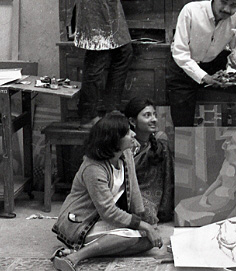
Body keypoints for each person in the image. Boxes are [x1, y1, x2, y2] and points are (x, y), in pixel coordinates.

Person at [51, 112, 163, 271]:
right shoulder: (93, 168)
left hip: (101, 219)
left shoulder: (125, 154)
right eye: (127, 133)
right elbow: (108, 212)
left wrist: (146, 221)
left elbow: (134, 189)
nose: (133, 134)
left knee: (150, 241)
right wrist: (143, 226)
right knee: (131, 237)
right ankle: (74, 258)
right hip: (81, 222)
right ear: (114, 140)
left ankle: (86, 250)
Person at [166, 0, 236, 128]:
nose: (227, 9)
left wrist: (228, 74)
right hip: (182, 71)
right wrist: (205, 78)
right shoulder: (191, 11)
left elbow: (234, 55)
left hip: (211, 66)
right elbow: (180, 53)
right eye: (224, 1)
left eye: (234, 5)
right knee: (184, 129)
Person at [175, 130, 236, 226]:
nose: (226, 145)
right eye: (227, 142)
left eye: (230, 143)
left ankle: (204, 218)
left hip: (226, 199)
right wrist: (205, 195)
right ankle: (183, 229)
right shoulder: (226, 162)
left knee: (195, 215)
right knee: (181, 206)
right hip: (214, 195)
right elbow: (218, 181)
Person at [123, 97, 174, 223]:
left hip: (154, 198)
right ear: (132, 121)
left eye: (155, 115)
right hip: (128, 195)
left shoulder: (160, 143)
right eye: (147, 115)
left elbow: (168, 177)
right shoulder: (125, 144)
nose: (154, 119)